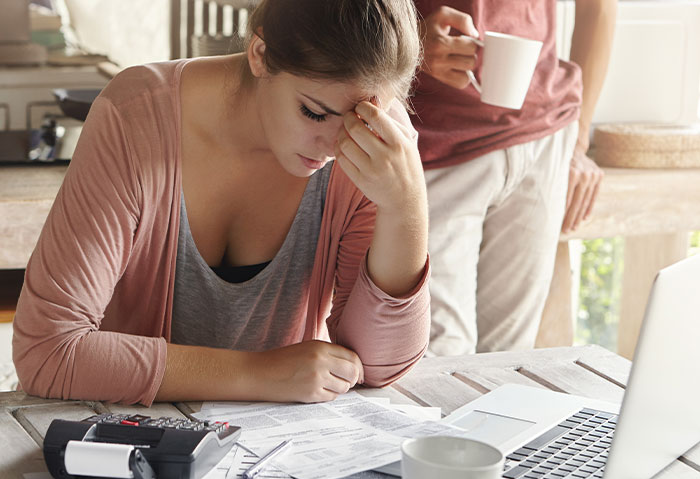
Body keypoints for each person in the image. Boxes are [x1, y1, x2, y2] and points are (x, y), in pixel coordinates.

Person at [12, 0, 430, 406]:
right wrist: (258, 374)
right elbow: (48, 353)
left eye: (357, 121)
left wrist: (406, 209)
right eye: (314, 113)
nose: (336, 147)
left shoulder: (371, 147)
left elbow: (378, 368)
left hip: (275, 455)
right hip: (127, 447)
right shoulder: (136, 116)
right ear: (260, 54)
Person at [412, 0, 616, 355]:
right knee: (435, 357)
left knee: (508, 360)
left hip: (543, 138)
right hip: (431, 145)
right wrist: (408, 43)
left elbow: (597, 8)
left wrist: (579, 142)